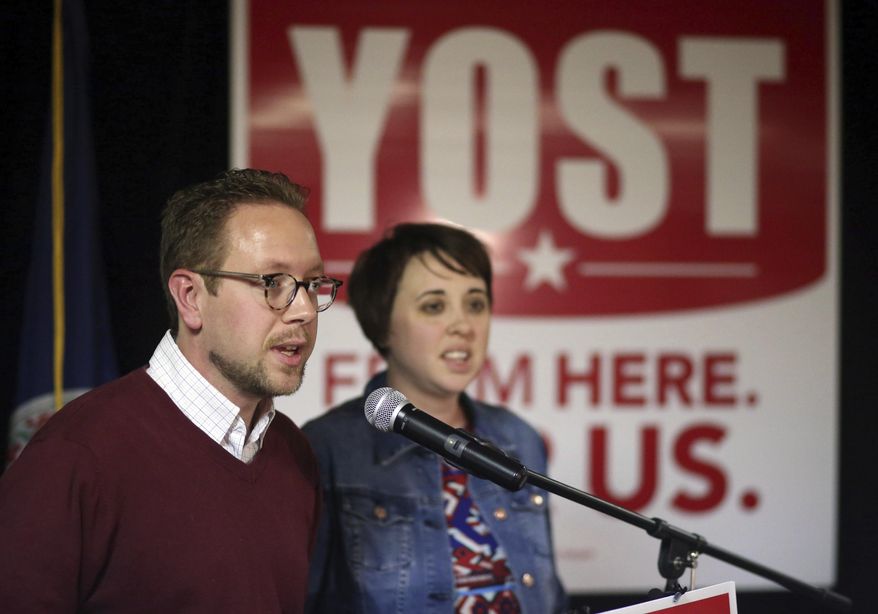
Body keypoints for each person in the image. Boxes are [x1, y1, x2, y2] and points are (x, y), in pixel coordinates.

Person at [0, 169, 343, 613]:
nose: (303, 310)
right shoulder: (78, 454)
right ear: (190, 297)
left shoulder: (294, 453)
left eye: (312, 284)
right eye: (272, 283)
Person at [303, 222, 567, 613]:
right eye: (434, 306)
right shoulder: (326, 448)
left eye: (476, 303)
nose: (463, 326)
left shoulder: (519, 438)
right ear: (383, 324)